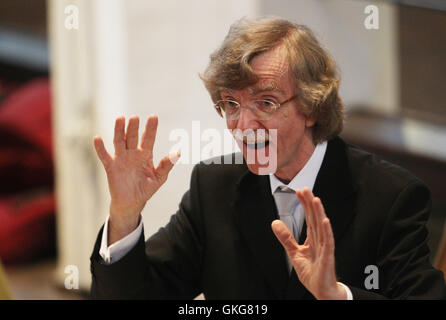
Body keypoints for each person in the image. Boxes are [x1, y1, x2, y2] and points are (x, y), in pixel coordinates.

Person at [90, 17, 446, 299]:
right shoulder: (213, 186)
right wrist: (124, 215)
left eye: (266, 103)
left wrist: (336, 296)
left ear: (312, 107)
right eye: (231, 105)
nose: (243, 125)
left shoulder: (392, 196)